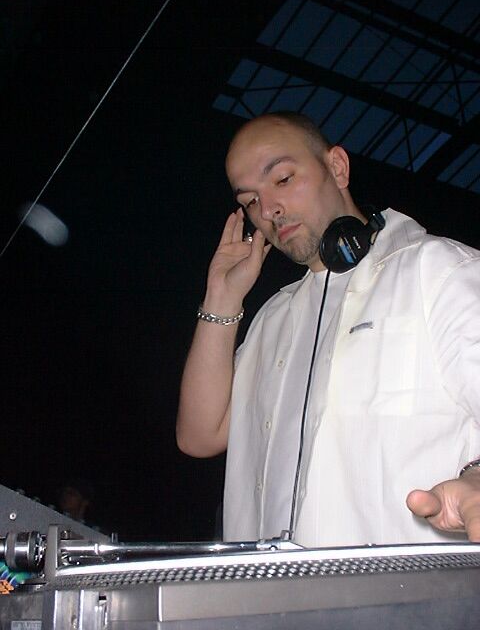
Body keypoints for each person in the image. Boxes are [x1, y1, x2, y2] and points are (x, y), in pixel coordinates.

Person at [176, 111, 480, 547]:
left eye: (282, 179)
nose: (268, 210)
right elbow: (199, 435)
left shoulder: (438, 270)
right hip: (267, 591)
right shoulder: (273, 318)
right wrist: (221, 298)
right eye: (250, 201)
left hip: (407, 590)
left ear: (337, 167)